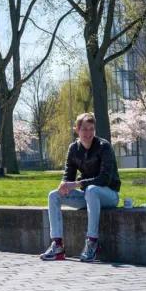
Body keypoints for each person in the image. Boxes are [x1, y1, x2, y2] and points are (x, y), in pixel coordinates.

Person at [40, 112, 122, 262]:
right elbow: (68, 176)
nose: (88, 133)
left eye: (91, 129)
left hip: (109, 195)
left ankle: (92, 242)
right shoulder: (73, 149)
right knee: (54, 195)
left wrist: (77, 184)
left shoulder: (104, 147)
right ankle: (57, 245)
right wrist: (64, 185)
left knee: (91, 190)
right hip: (89, 196)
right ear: (77, 130)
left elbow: (104, 179)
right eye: (84, 129)